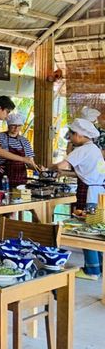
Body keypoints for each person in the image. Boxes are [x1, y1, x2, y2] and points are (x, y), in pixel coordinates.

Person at [51, 118, 105, 280]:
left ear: (78, 135)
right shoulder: (94, 149)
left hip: (89, 192)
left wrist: (49, 169)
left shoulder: (81, 149)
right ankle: (98, 266)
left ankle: (92, 271)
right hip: (99, 191)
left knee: (86, 232)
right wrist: (64, 173)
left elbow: (60, 165)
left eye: (71, 136)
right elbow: (84, 172)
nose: (71, 139)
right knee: (95, 230)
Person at [0, 113, 34, 189]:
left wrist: (37, 167)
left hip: (21, 178)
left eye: (19, 126)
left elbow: (29, 161)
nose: (16, 128)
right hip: (4, 177)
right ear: (9, 125)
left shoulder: (24, 141)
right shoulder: (0, 137)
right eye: (14, 125)